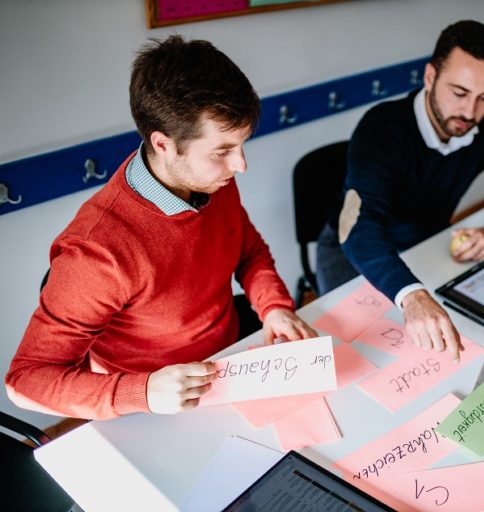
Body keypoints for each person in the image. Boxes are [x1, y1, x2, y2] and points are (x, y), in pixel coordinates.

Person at [5, 36, 317, 420]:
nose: (240, 165)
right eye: (222, 151)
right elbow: (24, 381)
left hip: (229, 363)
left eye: (241, 145)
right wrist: (145, 392)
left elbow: (248, 250)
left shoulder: (210, 180)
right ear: (164, 144)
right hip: (155, 404)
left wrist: (273, 308)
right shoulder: (96, 250)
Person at [316, 20, 484, 363]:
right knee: (364, 359)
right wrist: (411, 294)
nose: (470, 112)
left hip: (428, 243)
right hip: (354, 249)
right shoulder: (380, 128)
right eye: (459, 92)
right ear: (429, 77)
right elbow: (359, 229)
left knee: (447, 352)